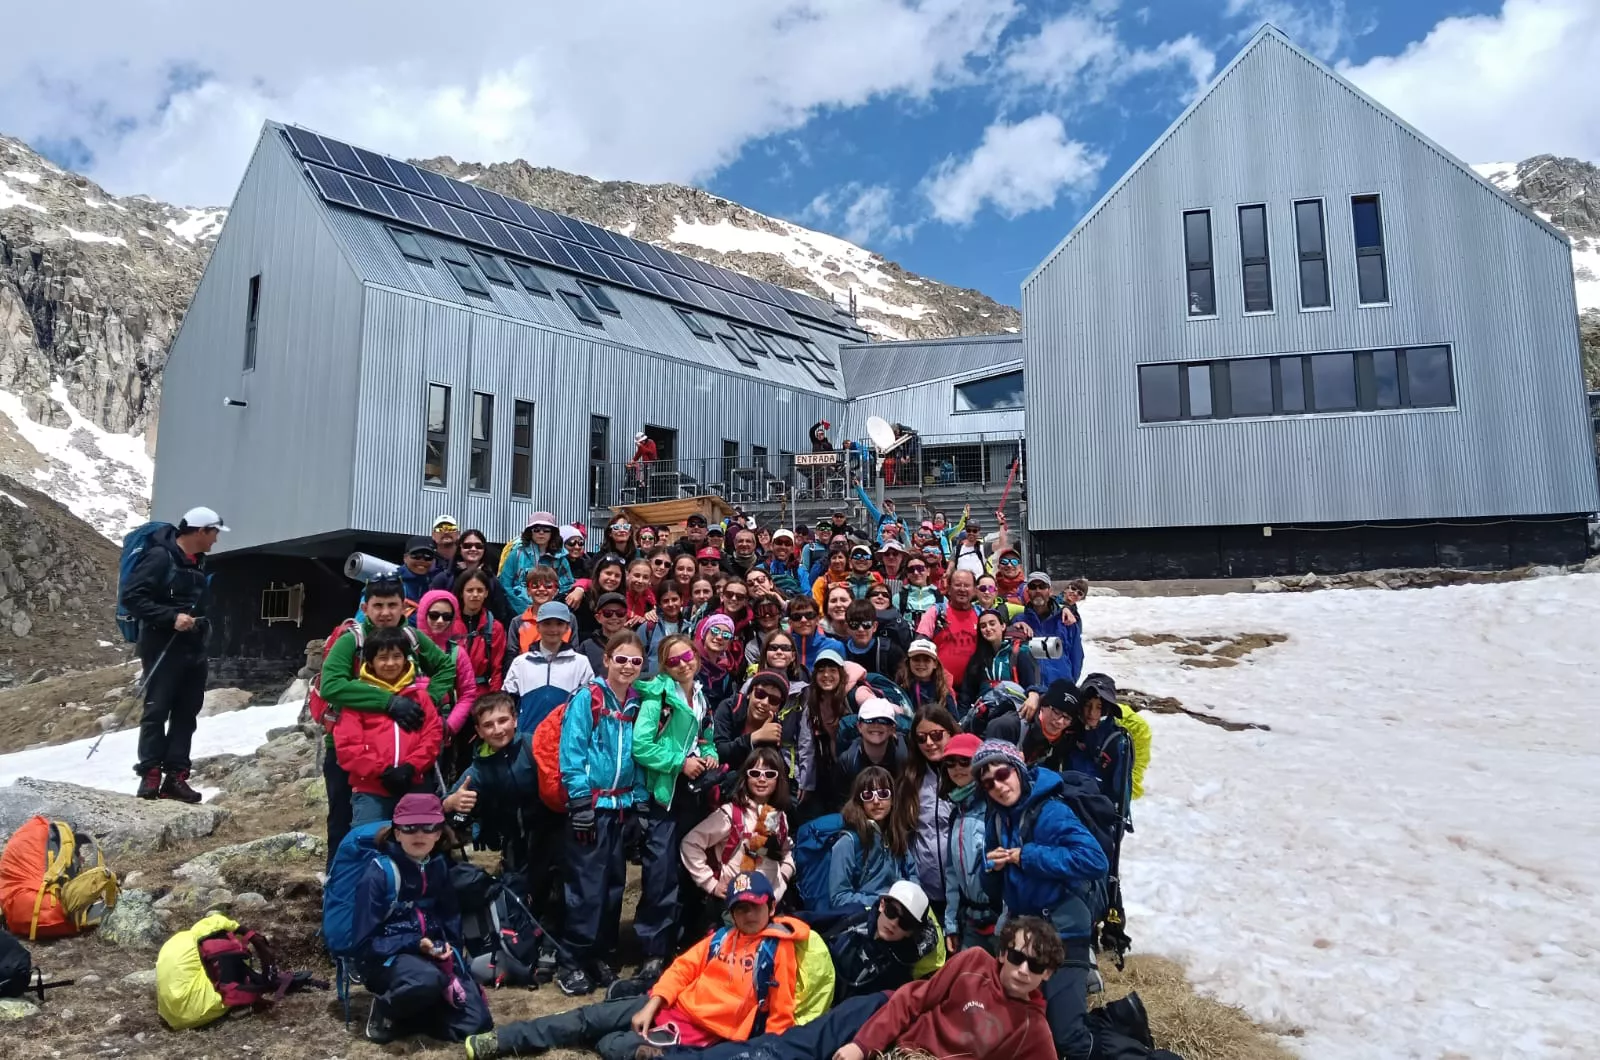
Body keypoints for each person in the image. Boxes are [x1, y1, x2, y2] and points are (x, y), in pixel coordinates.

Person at [465, 871, 812, 1060]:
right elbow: (681, 970)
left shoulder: (777, 949)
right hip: (666, 1005)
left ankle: (633, 1048)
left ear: (771, 906)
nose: (748, 915)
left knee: (612, 1044)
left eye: (755, 906)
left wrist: (769, 1052)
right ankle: (501, 1039)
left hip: (698, 1034)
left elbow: (780, 1014)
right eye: (740, 908)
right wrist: (653, 1004)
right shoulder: (722, 937)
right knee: (587, 1017)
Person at [972, 739, 1109, 1060]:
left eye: (1002, 774)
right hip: (1025, 935)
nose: (998, 786)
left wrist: (1026, 856)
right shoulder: (997, 819)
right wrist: (990, 869)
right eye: (988, 783)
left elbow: (1095, 860)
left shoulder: (1051, 812)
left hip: (1064, 931)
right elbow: (993, 890)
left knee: (1067, 1037)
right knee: (1019, 1025)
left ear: (1018, 769)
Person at [319, 574, 457, 864]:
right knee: (344, 816)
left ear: (403, 606)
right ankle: (339, 875)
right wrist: (389, 702)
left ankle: (405, 877)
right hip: (351, 747)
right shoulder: (351, 641)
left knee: (412, 820)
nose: (385, 613)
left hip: (406, 749)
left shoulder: (411, 638)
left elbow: (446, 667)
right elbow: (332, 686)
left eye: (392, 605)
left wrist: (425, 702)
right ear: (365, 607)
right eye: (378, 605)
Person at [353, 794, 491, 1045]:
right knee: (427, 980)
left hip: (433, 956)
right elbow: (365, 943)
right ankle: (385, 1009)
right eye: (409, 827)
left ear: (438, 833)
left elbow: (450, 918)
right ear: (397, 833)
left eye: (428, 827)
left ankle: (413, 1015)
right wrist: (415, 943)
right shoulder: (378, 875)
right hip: (386, 959)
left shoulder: (439, 867)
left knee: (477, 1023)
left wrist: (453, 957)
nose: (419, 834)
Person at [830, 916, 1063, 1060]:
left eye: (1036, 965)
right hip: (903, 1051)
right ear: (1002, 954)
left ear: (1047, 973)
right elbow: (912, 1000)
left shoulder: (1034, 1028)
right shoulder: (973, 961)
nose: (1023, 970)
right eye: (1016, 957)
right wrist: (862, 1045)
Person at [630, 635, 721, 986]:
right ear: (664, 666)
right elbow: (642, 746)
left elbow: (705, 735)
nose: (683, 664)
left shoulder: (698, 694)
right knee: (661, 872)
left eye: (687, 657)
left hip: (692, 795)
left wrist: (709, 754)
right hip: (665, 794)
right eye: (673, 661)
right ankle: (653, 952)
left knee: (686, 869)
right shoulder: (659, 697)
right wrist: (679, 763)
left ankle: (682, 940)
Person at [560, 631, 648, 994]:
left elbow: (639, 756)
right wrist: (580, 801)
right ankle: (572, 960)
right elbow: (572, 751)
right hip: (592, 807)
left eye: (636, 661)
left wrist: (639, 801)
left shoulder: (637, 703)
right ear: (607, 659)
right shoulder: (588, 697)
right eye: (621, 659)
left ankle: (600, 954)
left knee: (614, 885)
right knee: (586, 887)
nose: (628, 666)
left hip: (622, 808)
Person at [120, 506, 224, 801]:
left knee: (186, 713)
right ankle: (150, 775)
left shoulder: (198, 561)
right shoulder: (159, 557)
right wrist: (170, 617)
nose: (216, 539)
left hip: (193, 647)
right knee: (157, 710)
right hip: (161, 645)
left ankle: (175, 777)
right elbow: (132, 597)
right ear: (200, 531)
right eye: (214, 533)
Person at [333, 625, 445, 825]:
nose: (391, 663)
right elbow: (347, 746)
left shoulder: (419, 697)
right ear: (370, 662)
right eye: (383, 658)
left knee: (419, 838)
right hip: (370, 789)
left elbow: (432, 735)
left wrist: (411, 767)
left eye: (397, 656)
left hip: (414, 782)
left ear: (406, 659)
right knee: (370, 838)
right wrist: (382, 771)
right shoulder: (359, 698)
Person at [442, 693, 540, 899]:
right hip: (511, 841)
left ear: (515, 720)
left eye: (503, 720)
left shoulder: (534, 746)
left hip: (547, 832)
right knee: (519, 891)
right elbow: (445, 802)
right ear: (478, 731)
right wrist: (451, 802)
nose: (497, 730)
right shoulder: (479, 769)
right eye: (488, 725)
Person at [681, 746, 796, 921]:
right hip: (736, 906)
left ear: (779, 779)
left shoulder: (778, 817)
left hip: (771, 905)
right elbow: (690, 844)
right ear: (746, 777)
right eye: (755, 773)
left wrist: (785, 875)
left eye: (769, 774)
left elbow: (785, 851)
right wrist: (711, 884)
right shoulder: (730, 814)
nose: (762, 779)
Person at [819, 880, 942, 1003]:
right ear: (882, 905)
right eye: (891, 912)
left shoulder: (897, 976)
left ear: (910, 932)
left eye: (905, 923)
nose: (894, 923)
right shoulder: (854, 915)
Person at [939, 732, 999, 954]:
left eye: (965, 761)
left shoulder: (995, 808)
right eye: (950, 762)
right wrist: (951, 924)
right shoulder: (957, 813)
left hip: (1000, 922)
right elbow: (952, 873)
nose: (957, 768)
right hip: (971, 922)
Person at [827, 766, 917, 912]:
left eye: (883, 793)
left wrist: (909, 898)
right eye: (868, 795)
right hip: (866, 916)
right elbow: (839, 897)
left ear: (892, 799)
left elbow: (912, 875)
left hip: (901, 912)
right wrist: (881, 902)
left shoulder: (896, 834)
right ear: (859, 802)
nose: (876, 801)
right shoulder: (847, 843)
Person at [896, 707, 959, 913]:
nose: (929, 743)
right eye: (921, 738)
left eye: (936, 735)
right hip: (925, 890)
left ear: (950, 732)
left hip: (964, 889)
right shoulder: (910, 778)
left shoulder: (966, 773)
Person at [416, 589, 480, 779]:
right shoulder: (406, 647)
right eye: (434, 615)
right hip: (407, 725)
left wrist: (450, 726)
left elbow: (468, 693)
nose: (440, 621)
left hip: (441, 731)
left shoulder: (457, 653)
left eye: (447, 616)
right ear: (423, 613)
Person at [504, 601, 595, 729]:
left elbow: (589, 702)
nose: (553, 629)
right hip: (527, 734)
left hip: (566, 735)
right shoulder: (521, 662)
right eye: (547, 623)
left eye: (559, 624)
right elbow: (508, 701)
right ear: (538, 627)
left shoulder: (580, 662)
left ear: (567, 628)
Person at [796, 650, 852, 816]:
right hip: (827, 771)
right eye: (821, 671)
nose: (826, 675)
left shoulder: (852, 696)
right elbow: (806, 744)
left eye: (832, 670)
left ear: (841, 674)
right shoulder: (812, 703)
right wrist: (806, 783)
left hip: (854, 769)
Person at [915, 568, 980, 690]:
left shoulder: (981, 615)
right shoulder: (936, 612)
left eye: (967, 585)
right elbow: (919, 646)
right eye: (957, 585)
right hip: (939, 687)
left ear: (974, 590)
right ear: (949, 589)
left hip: (973, 688)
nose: (962, 589)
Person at [961, 610, 1042, 708]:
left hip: (1013, 711)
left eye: (992, 624)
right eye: (983, 626)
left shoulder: (1018, 653)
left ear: (1003, 626)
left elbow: (1031, 685)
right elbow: (967, 694)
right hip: (984, 711)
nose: (988, 628)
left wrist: (1033, 695)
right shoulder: (977, 659)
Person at [712, 669, 788, 772]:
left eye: (774, 700)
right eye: (760, 694)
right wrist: (754, 738)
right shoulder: (730, 707)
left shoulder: (774, 729)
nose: (765, 703)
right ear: (749, 693)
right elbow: (718, 752)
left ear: (779, 708)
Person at [1015, 571, 1085, 685]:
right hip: (1030, 688)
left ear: (1050, 591)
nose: (1038, 590)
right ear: (1028, 592)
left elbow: (1076, 655)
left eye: (1042, 586)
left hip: (1060, 686)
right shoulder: (1019, 621)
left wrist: (1070, 682)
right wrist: (1013, 629)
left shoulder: (1066, 620)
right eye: (1033, 587)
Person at [453, 568, 506, 697]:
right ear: (461, 593)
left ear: (486, 593)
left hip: (482, 695)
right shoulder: (448, 624)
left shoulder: (494, 628)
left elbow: (497, 668)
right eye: (470, 590)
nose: (475, 594)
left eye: (480, 590)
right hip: (452, 693)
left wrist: (494, 699)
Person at [499, 512, 560, 615]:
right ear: (530, 532)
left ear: (552, 533)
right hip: (519, 612)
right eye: (536, 529)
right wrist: (522, 609)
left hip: (551, 614)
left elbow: (566, 586)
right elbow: (505, 585)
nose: (541, 533)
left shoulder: (560, 557)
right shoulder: (516, 554)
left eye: (546, 530)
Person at [837, 699, 905, 783]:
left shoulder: (905, 757)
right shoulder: (848, 761)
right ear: (859, 726)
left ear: (892, 728)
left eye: (883, 721)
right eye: (869, 720)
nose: (876, 725)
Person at [839, 600, 904, 681]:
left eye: (866, 624)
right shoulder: (839, 650)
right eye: (854, 624)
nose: (861, 629)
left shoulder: (890, 651)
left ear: (874, 626)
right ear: (847, 627)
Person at [508, 566, 563, 655]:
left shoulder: (568, 620)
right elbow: (511, 656)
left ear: (555, 591)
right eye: (535, 586)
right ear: (528, 591)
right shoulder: (517, 622)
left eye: (548, 586)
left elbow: (574, 654)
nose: (541, 589)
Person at [899, 638, 958, 714]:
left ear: (935, 664)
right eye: (916, 659)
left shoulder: (943, 692)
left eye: (926, 660)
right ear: (909, 662)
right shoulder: (901, 688)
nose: (921, 664)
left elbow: (953, 720)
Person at [579, 592, 632, 676]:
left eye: (620, 613)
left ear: (626, 617)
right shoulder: (587, 646)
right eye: (608, 613)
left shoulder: (634, 644)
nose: (614, 617)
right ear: (598, 618)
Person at [641, 582, 689, 676]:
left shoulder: (689, 628)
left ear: (681, 600)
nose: (671, 604)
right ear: (659, 604)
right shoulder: (649, 627)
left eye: (674, 599)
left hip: (680, 680)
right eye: (666, 601)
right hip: (653, 682)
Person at [787, 598, 843, 673]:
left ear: (817, 619)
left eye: (809, 615)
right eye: (796, 616)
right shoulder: (782, 648)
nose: (803, 620)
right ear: (790, 622)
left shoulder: (835, 647)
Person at [400, 536, 437, 613]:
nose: (422, 560)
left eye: (428, 557)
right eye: (416, 556)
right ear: (405, 558)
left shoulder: (437, 584)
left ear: (434, 561)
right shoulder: (392, 582)